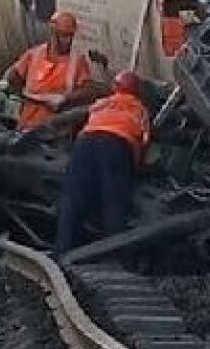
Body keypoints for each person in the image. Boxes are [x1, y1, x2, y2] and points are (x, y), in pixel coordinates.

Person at [54, 70, 150, 258]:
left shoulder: (100, 103)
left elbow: (77, 125)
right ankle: (112, 259)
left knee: (72, 201)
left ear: (114, 88)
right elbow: (144, 141)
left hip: (85, 143)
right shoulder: (140, 109)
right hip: (117, 146)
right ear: (137, 92)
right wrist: (134, 169)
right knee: (115, 205)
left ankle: (62, 253)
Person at [0, 11, 101, 129]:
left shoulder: (77, 61)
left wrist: (66, 98)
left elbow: (87, 88)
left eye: (70, 36)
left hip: (55, 129)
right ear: (53, 34)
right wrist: (5, 81)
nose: (68, 41)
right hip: (27, 124)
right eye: (64, 36)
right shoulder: (34, 54)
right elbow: (14, 72)